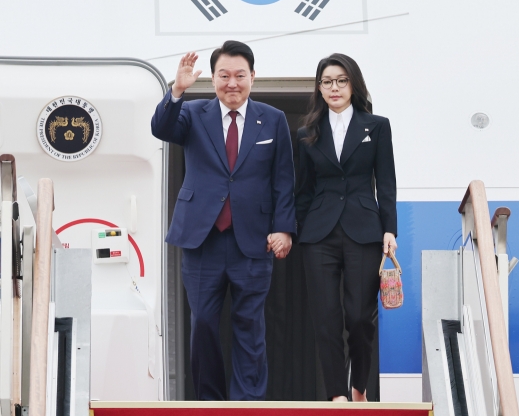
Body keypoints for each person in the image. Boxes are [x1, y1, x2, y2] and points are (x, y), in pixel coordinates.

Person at [151, 41, 296, 401]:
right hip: (203, 240)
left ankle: (248, 403)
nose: (232, 83)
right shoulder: (194, 112)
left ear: (253, 77)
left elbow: (283, 179)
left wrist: (284, 228)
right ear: (213, 78)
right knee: (201, 323)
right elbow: (162, 128)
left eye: (240, 75)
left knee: (249, 325)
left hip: (253, 239)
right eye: (224, 76)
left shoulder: (273, 119)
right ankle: (209, 403)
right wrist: (177, 90)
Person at [295, 53, 397, 402]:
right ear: (319, 88)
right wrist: (298, 230)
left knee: (359, 317)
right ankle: (338, 396)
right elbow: (303, 190)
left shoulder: (377, 126)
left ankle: (360, 386)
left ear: (353, 84)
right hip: (318, 235)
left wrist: (389, 230)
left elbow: (386, 183)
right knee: (325, 319)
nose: (334, 87)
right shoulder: (307, 132)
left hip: (365, 230)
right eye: (327, 81)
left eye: (341, 80)